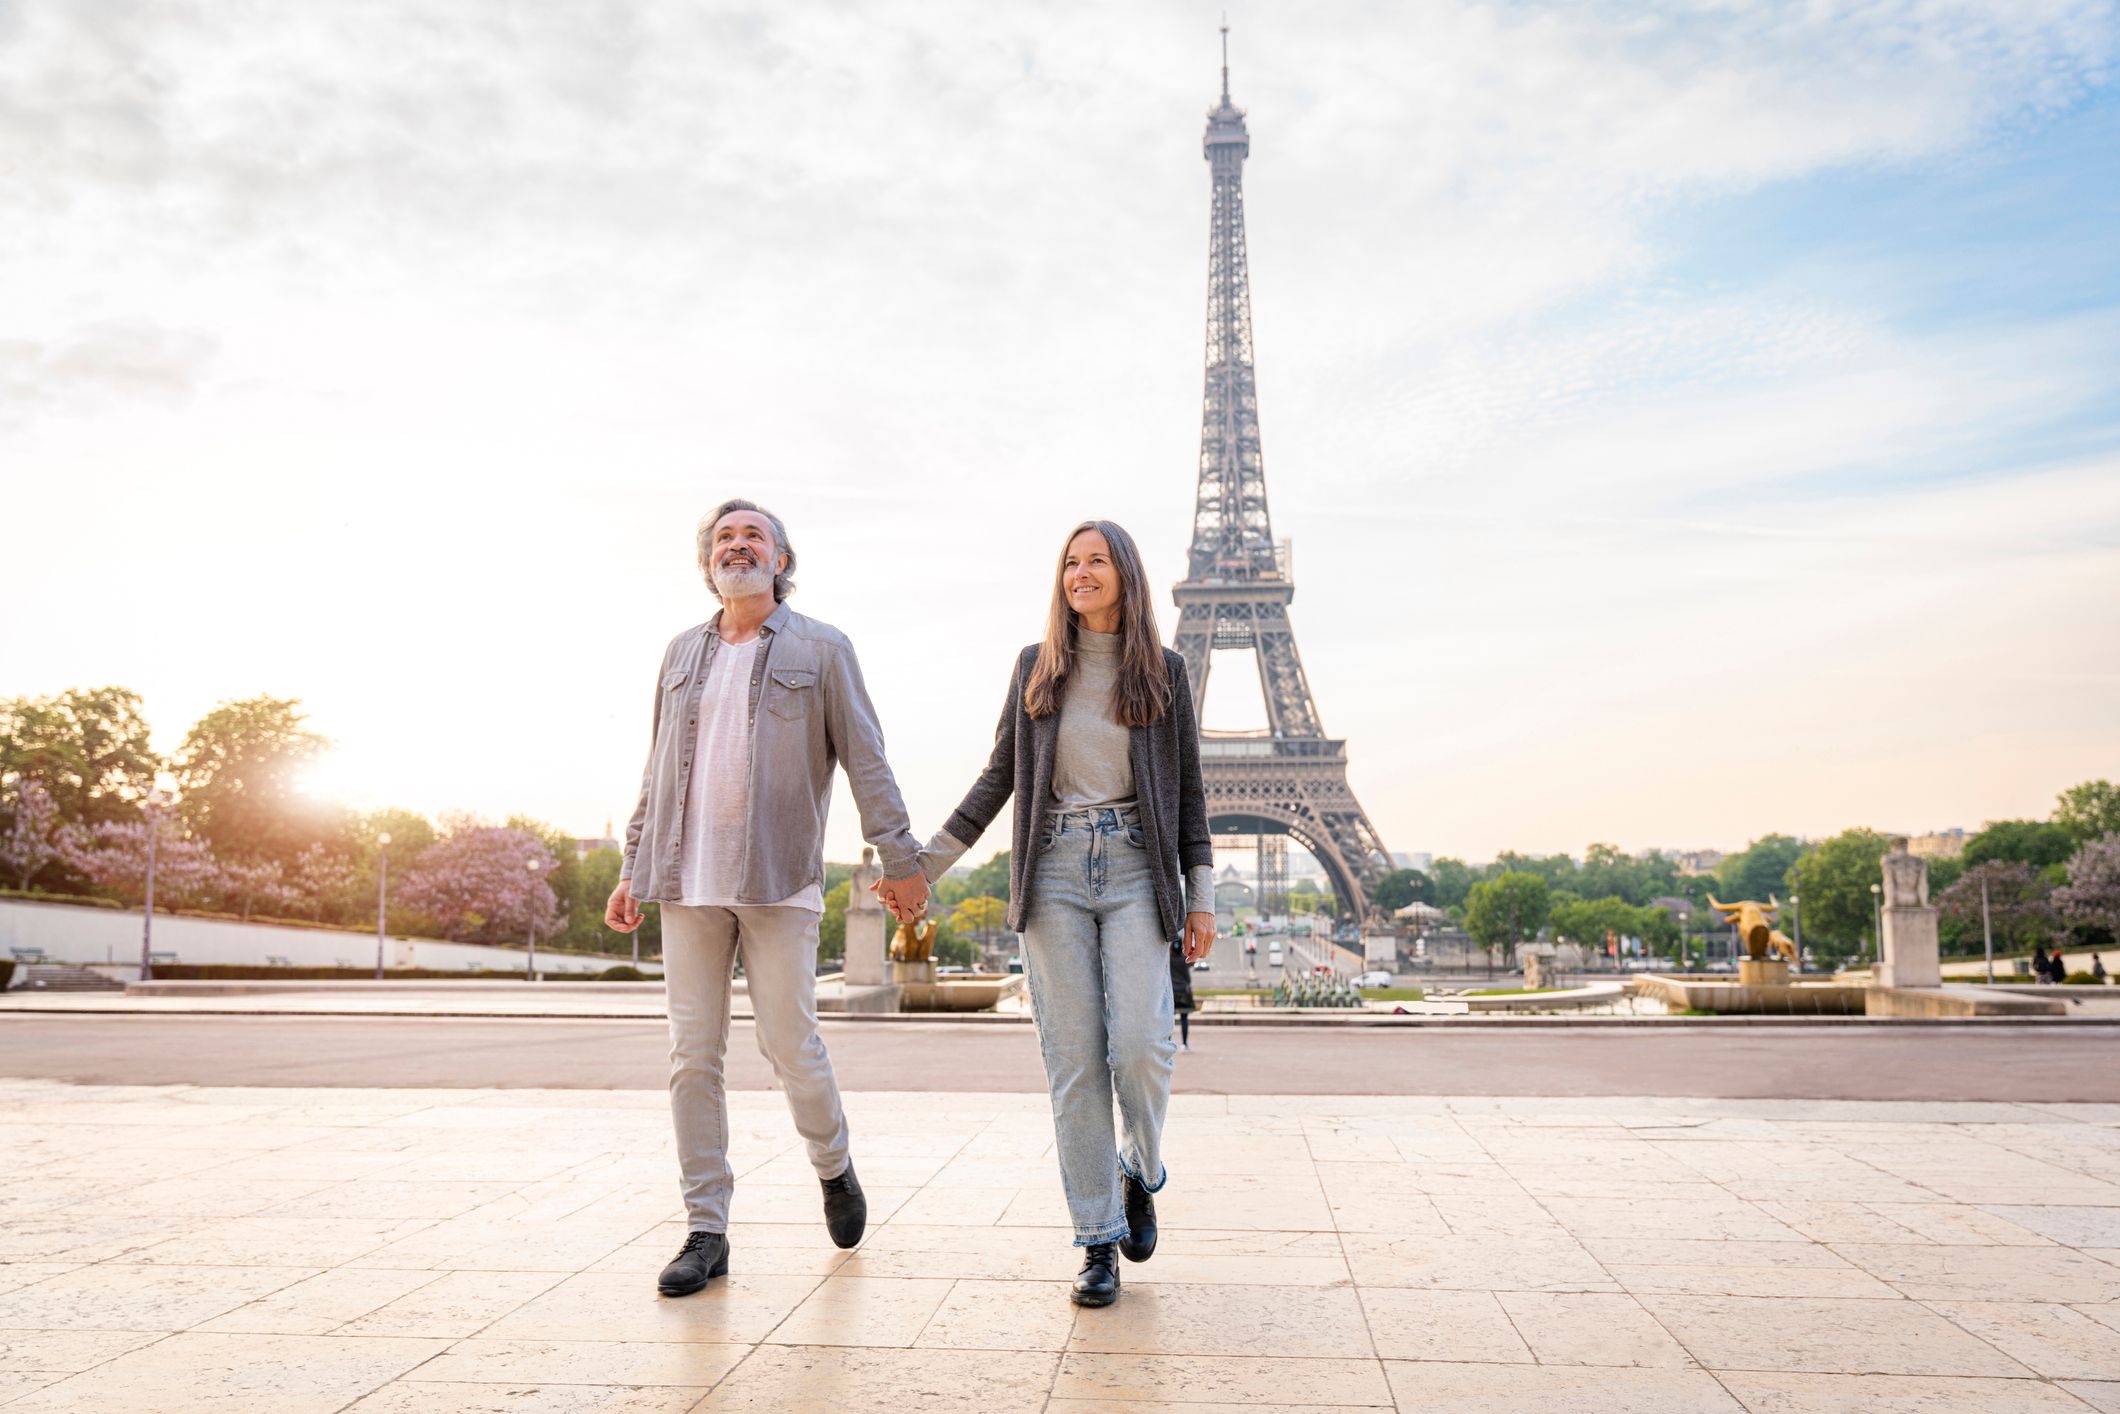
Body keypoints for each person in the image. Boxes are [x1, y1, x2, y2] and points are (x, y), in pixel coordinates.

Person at [605, 498, 930, 1297]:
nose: (737, 545)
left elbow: (866, 758)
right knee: (692, 1056)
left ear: (780, 560)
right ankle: (706, 1228)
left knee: (790, 1046)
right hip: (687, 881)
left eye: (754, 535)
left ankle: (833, 1164)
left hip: (778, 878)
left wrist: (900, 858)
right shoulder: (680, 653)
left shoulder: (822, 648)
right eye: (724, 536)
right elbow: (657, 768)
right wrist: (632, 865)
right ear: (707, 562)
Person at [903, 519, 1214, 1309]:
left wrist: (1202, 897)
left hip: (1138, 866)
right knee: (1074, 1064)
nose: (1081, 572)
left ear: (1125, 574)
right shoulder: (1034, 667)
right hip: (1055, 872)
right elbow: (998, 777)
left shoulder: (1166, 671)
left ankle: (1139, 1169)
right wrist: (924, 864)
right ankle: (1097, 1238)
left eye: (1097, 560)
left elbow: (1189, 798)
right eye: (1071, 562)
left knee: (1141, 1047)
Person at [1169, 939, 1197, 1050]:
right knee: (1184, 1018)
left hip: (1172, 991)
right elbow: (1193, 962)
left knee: (1169, 1019)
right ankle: (1184, 1043)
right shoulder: (1184, 959)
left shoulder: (1169, 959)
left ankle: (1167, 1042)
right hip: (1184, 991)